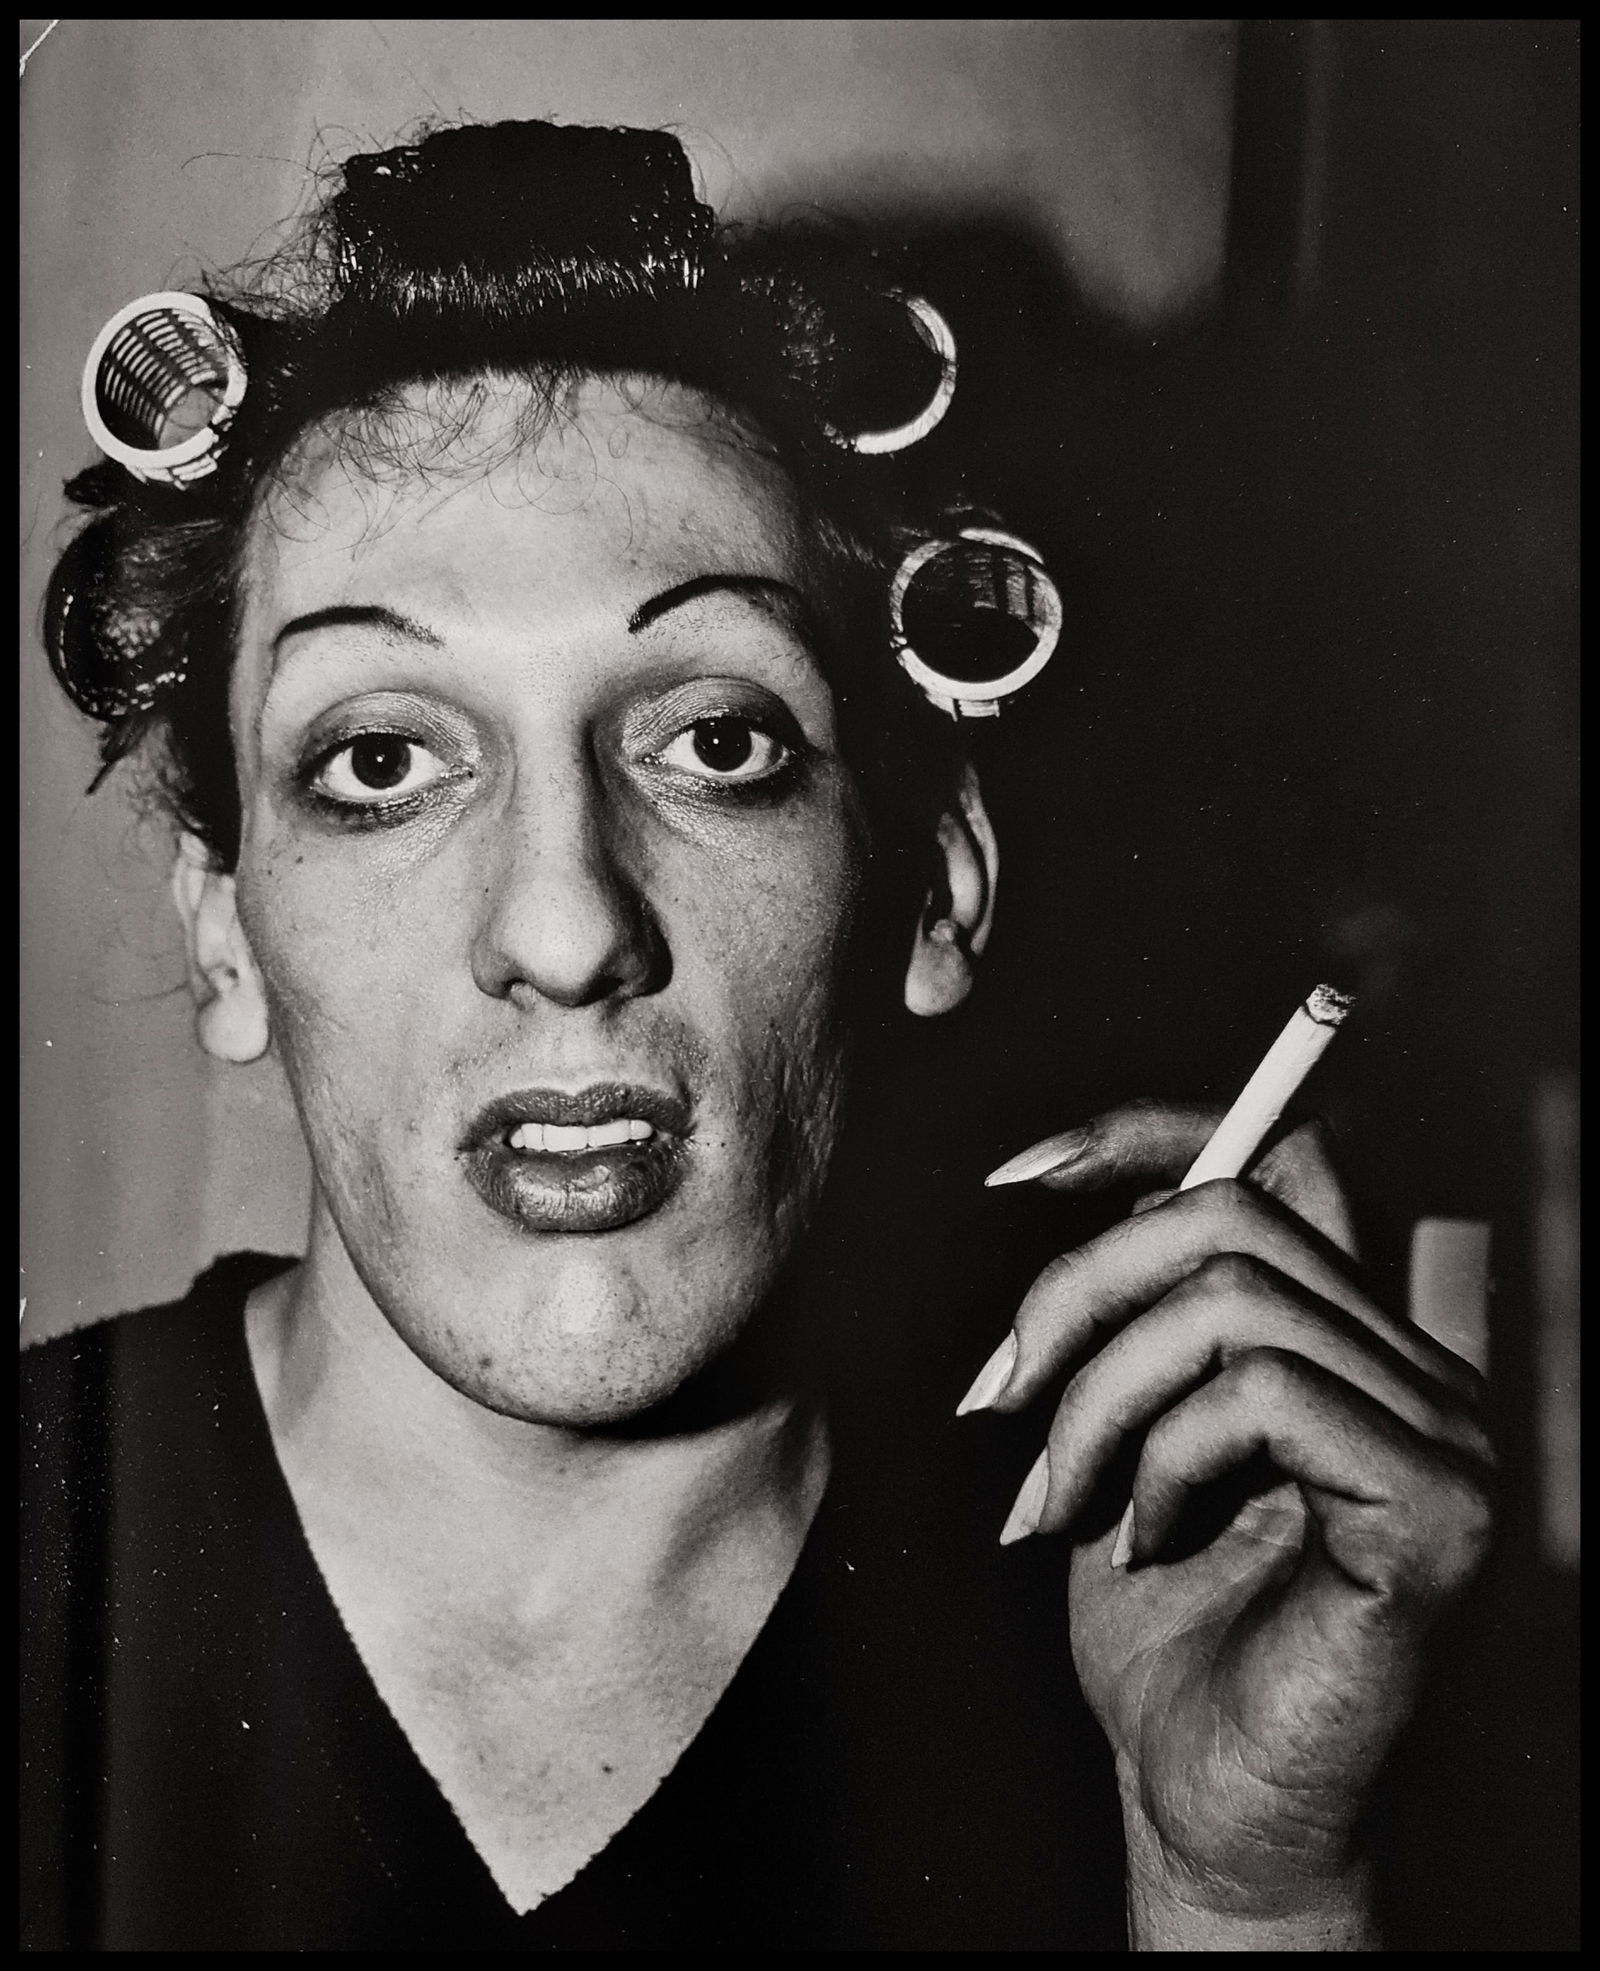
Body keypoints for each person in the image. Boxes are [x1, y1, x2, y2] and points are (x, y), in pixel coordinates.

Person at [21, 118, 1492, 1951]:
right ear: (223, 923)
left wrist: (1248, 1894)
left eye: (718, 742)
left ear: (934, 884)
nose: (565, 927)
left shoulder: (1179, 1653)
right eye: (381, 762)